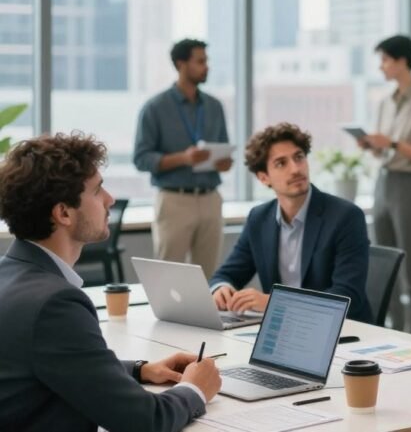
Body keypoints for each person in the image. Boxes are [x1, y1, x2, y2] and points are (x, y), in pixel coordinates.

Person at [0, 133, 221, 431]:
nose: (110, 199)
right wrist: (195, 389)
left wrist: (140, 370)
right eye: (97, 190)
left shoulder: (10, 274)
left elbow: (55, 362)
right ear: (63, 212)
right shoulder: (54, 304)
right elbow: (145, 420)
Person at [209, 123, 372, 323]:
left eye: (299, 157)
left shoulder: (346, 216)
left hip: (340, 331)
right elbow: (226, 274)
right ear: (263, 178)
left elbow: (347, 296)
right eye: (281, 163)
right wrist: (221, 288)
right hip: (284, 330)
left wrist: (274, 303)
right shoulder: (259, 218)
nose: (295, 169)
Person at [360, 35, 411, 335]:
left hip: (410, 186)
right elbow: (384, 149)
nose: (381, 66)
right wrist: (372, 145)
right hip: (383, 183)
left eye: (384, 59)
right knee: (385, 264)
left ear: (401, 61)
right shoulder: (384, 102)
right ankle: (391, 330)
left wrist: (393, 142)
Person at [133, 38, 232, 278]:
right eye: (200, 61)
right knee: (169, 276)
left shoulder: (214, 106)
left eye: (206, 61)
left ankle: (204, 318)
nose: (206, 66)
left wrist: (223, 162)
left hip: (210, 199)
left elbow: (225, 153)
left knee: (208, 277)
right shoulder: (155, 107)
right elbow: (141, 158)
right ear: (181, 64)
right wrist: (184, 158)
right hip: (174, 200)